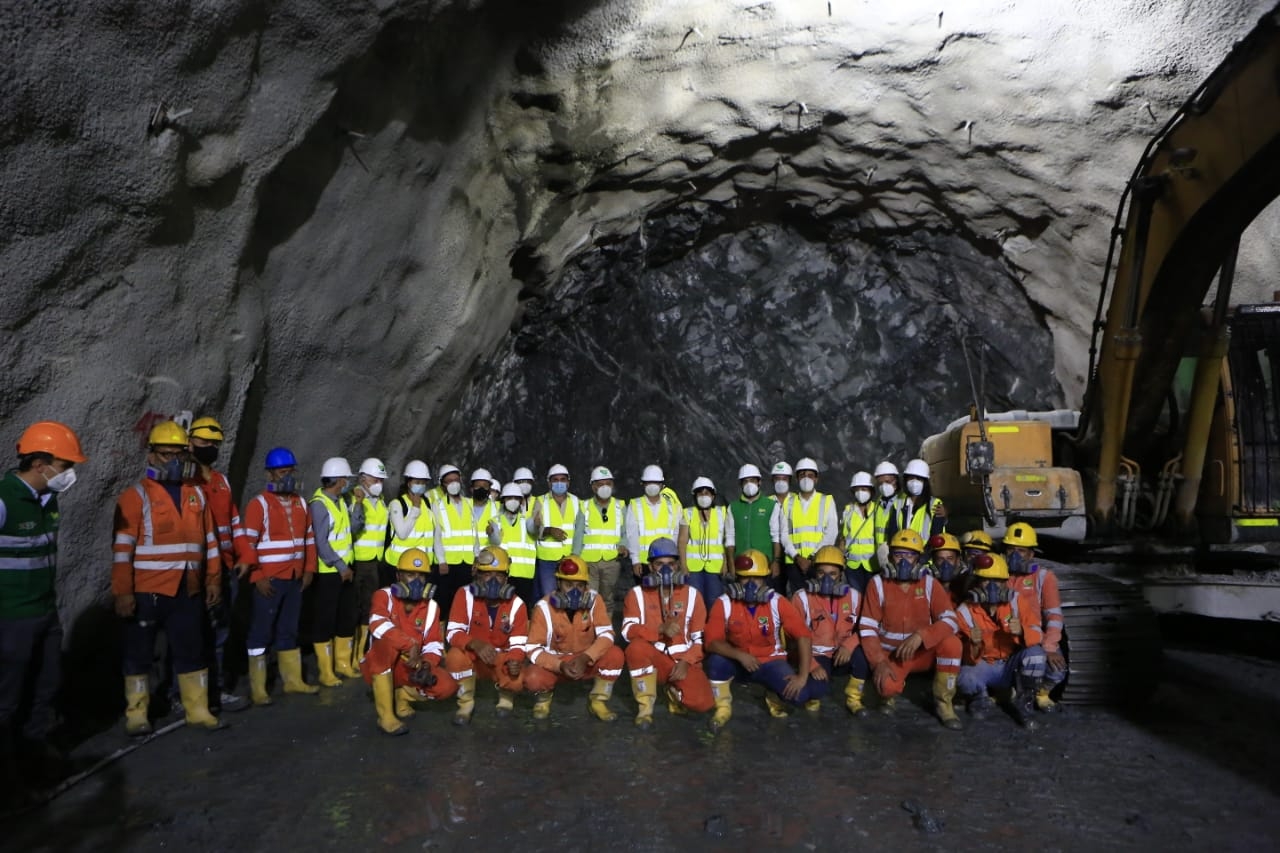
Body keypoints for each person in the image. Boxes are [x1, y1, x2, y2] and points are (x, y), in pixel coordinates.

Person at [113, 421, 223, 735]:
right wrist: (123, 592)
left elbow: (210, 540)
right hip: (148, 591)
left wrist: (213, 579)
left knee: (192, 650)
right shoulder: (135, 497)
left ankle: (197, 709)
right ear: (151, 455)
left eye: (177, 454)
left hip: (187, 589)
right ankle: (137, 714)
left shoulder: (196, 495)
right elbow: (122, 549)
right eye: (165, 454)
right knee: (140, 653)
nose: (172, 461)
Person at [1, 421, 85, 788]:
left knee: (46, 686)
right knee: (6, 700)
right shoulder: (4, 501)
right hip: (11, 618)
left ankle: (33, 761)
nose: (69, 475)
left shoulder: (48, 501)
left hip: (44, 613)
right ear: (40, 464)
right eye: (64, 466)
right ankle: (7, 777)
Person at [704, 549, 827, 730]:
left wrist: (802, 676)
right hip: (737, 661)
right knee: (715, 663)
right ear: (737, 579)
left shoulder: (778, 602)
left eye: (757, 578)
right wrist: (739, 655)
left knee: (801, 695)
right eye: (746, 578)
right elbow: (711, 642)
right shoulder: (724, 602)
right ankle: (722, 708)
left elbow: (803, 636)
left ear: (766, 578)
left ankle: (773, 694)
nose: (751, 584)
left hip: (770, 661)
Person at [236, 447, 319, 705]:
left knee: (288, 630)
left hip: (294, 578)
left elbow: (309, 539)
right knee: (261, 633)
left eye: (290, 471)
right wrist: (257, 576)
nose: (288, 477)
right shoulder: (258, 504)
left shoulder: (300, 502)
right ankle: (259, 688)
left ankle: (293, 681)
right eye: (283, 472)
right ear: (270, 474)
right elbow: (248, 544)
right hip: (269, 580)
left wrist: (308, 569)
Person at [858, 529, 964, 730]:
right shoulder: (877, 584)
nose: (904, 561)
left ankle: (944, 702)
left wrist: (922, 635)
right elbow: (867, 628)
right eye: (899, 554)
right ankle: (890, 694)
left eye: (910, 555)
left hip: (922, 652)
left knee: (952, 644)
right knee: (886, 687)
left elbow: (950, 620)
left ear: (919, 559)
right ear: (890, 557)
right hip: (894, 655)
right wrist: (878, 662)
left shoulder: (929, 584)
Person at [186, 416, 249, 714]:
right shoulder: (186, 483)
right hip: (195, 571)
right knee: (191, 633)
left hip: (225, 568)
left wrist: (246, 557)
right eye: (203, 442)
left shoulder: (221, 482)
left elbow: (234, 523)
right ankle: (186, 695)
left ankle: (218, 689)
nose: (208, 447)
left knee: (221, 631)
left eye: (213, 443)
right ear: (189, 443)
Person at [361, 548, 458, 736]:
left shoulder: (431, 607)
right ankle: (386, 716)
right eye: (410, 574)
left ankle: (401, 697)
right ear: (398, 576)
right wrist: (410, 645)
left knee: (447, 686)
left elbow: (434, 644)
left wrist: (427, 664)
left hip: (410, 666)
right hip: (379, 665)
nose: (416, 580)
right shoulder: (384, 596)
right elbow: (377, 623)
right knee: (386, 643)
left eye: (421, 576)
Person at [620, 537, 713, 728]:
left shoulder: (692, 595)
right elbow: (627, 631)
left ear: (678, 565)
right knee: (636, 649)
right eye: (659, 564)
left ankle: (673, 692)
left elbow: (700, 639)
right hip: (655, 659)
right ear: (651, 567)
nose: (665, 570)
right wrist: (659, 630)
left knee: (703, 703)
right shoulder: (637, 594)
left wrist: (687, 662)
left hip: (682, 661)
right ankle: (645, 708)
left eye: (670, 564)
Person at [522, 554, 624, 721]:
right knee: (533, 678)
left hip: (585, 660)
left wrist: (586, 657)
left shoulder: (595, 600)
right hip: (557, 662)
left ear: (586, 587)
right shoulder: (543, 607)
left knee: (615, 655)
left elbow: (607, 634)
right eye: (568, 585)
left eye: (579, 585)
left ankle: (598, 700)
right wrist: (559, 665)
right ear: (558, 584)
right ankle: (543, 699)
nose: (575, 591)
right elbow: (532, 649)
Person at [955, 553, 1046, 728]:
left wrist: (1022, 631)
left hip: (1011, 664)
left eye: (997, 581)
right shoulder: (965, 610)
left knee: (1036, 655)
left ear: (1005, 582)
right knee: (964, 677)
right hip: (984, 665)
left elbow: (1037, 632)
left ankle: (1024, 705)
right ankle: (979, 698)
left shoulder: (1016, 602)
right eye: (986, 581)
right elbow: (964, 657)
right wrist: (972, 644)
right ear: (977, 582)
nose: (992, 587)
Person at [444, 546, 527, 725]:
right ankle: (465, 704)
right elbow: (452, 633)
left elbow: (519, 644)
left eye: (499, 575)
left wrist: (514, 659)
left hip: (500, 659)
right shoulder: (464, 595)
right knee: (455, 657)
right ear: (478, 575)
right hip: (474, 656)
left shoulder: (517, 604)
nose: (494, 581)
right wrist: (474, 643)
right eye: (488, 574)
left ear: (507, 578)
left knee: (518, 677)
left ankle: (506, 698)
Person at [791, 546, 870, 715]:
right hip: (817, 655)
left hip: (843, 652)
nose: (827, 579)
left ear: (841, 574)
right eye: (821, 573)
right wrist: (811, 665)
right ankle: (813, 697)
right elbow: (793, 638)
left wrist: (849, 645)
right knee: (814, 691)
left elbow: (866, 626)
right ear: (815, 573)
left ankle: (854, 699)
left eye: (833, 574)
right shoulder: (801, 598)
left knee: (864, 656)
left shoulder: (855, 596)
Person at [1002, 522, 1066, 712]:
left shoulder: (1044, 577)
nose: (1014, 555)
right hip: (1005, 638)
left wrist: (1050, 647)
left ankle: (1041, 693)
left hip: (1034, 638)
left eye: (1021, 551)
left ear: (1031, 554)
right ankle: (1007, 689)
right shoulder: (998, 575)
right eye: (1010, 549)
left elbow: (1054, 616)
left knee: (1057, 670)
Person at [308, 457, 359, 686]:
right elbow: (321, 542)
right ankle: (326, 671)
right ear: (338, 480)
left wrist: (357, 506)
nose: (347, 482)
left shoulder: (341, 501)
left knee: (345, 618)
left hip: (346, 569)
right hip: (330, 572)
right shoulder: (319, 504)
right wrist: (340, 566)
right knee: (325, 621)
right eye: (345, 479)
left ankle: (343, 664)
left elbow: (352, 529)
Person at [432, 466, 494, 611]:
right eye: (449, 481)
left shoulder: (468, 503)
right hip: (448, 563)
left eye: (455, 479)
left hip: (467, 562)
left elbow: (474, 533)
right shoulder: (438, 505)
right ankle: (443, 631)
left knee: (465, 601)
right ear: (443, 485)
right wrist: (441, 560)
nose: (453, 483)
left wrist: (477, 557)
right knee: (445, 601)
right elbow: (437, 535)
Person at [349, 457, 388, 675]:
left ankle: (362, 653)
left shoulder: (380, 501)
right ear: (363, 478)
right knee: (354, 609)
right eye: (375, 478)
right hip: (357, 561)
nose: (379, 482)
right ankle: (351, 656)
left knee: (369, 609)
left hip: (374, 561)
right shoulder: (354, 497)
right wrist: (358, 503)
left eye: (381, 479)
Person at [571, 466, 627, 618]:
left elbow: (624, 531)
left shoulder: (620, 506)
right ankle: (587, 631)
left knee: (608, 599)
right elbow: (578, 533)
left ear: (613, 485)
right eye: (600, 484)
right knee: (588, 598)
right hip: (589, 562)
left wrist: (624, 545)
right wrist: (575, 557)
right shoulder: (585, 506)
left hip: (611, 561)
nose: (604, 487)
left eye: (608, 483)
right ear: (593, 486)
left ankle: (605, 631)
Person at [778, 458, 837, 594]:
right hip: (794, 563)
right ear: (797, 479)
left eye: (810, 475)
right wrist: (797, 558)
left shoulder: (826, 500)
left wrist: (812, 558)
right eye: (802, 475)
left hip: (819, 563)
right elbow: (784, 535)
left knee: (819, 601)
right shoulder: (788, 502)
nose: (806, 478)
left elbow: (831, 533)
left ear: (816, 479)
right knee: (798, 601)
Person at [527, 464, 580, 603]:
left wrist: (577, 554)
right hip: (547, 559)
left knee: (570, 596)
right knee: (549, 597)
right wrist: (548, 530)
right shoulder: (540, 501)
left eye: (563, 479)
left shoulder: (576, 502)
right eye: (555, 480)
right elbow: (533, 530)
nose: (559, 483)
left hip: (570, 557)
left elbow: (581, 530)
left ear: (568, 482)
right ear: (549, 482)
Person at [678, 477, 734, 604]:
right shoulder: (688, 513)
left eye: (707, 493)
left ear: (713, 496)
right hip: (693, 568)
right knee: (694, 601)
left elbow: (727, 540)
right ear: (695, 496)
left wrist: (726, 564)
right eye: (700, 493)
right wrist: (683, 566)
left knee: (714, 601)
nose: (704, 496)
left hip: (716, 567)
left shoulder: (723, 513)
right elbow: (682, 541)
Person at [728, 463, 782, 589]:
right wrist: (731, 563)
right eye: (745, 481)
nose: (749, 484)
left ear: (759, 482)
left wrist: (776, 562)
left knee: (765, 601)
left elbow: (776, 537)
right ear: (740, 484)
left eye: (752, 480)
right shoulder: (733, 507)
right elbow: (730, 537)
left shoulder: (771, 505)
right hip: (741, 564)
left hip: (765, 565)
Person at [625, 465, 681, 583]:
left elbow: (676, 532)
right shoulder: (635, 505)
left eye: (655, 482)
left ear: (662, 484)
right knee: (646, 597)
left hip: (667, 561)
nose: (652, 485)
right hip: (644, 563)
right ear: (643, 484)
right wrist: (635, 561)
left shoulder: (672, 506)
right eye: (648, 482)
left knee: (668, 594)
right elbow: (632, 535)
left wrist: (675, 560)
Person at [386, 460, 436, 589]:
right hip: (400, 565)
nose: (420, 485)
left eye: (423, 482)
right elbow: (402, 534)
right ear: (409, 483)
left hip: (423, 565)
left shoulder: (429, 504)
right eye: (417, 482)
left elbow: (435, 533)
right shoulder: (397, 504)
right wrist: (415, 509)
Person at [489, 482, 538, 607]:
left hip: (525, 574)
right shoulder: (496, 520)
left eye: (516, 498)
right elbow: (495, 541)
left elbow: (534, 529)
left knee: (522, 608)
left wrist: (537, 524)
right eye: (509, 498)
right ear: (503, 500)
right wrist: (491, 533)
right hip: (503, 573)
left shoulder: (527, 520)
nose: (513, 501)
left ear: (521, 501)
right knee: (503, 608)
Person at [884, 459, 947, 541]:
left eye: (919, 479)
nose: (914, 482)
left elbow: (936, 535)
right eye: (911, 478)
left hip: (925, 552)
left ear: (925, 482)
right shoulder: (898, 503)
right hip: (902, 552)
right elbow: (893, 534)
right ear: (906, 480)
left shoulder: (934, 504)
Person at [837, 471, 877, 593]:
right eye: (857, 489)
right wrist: (840, 561)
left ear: (871, 491)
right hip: (852, 566)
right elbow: (843, 538)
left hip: (873, 565)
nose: (860, 492)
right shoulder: (848, 510)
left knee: (872, 599)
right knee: (855, 599)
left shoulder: (878, 509)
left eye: (864, 489)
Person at [927, 533, 968, 607]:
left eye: (950, 558)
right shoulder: (926, 587)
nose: (945, 565)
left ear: (958, 560)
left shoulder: (966, 588)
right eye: (940, 559)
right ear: (933, 561)